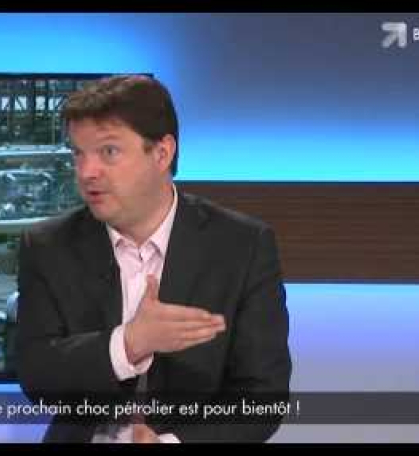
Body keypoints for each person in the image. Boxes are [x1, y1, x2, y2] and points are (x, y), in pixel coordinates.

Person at [15, 75, 291, 443]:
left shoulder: (242, 246)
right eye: (78, 153)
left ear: (162, 153)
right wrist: (128, 343)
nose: (86, 172)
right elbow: (37, 375)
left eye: (108, 152)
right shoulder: (48, 246)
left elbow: (262, 397)